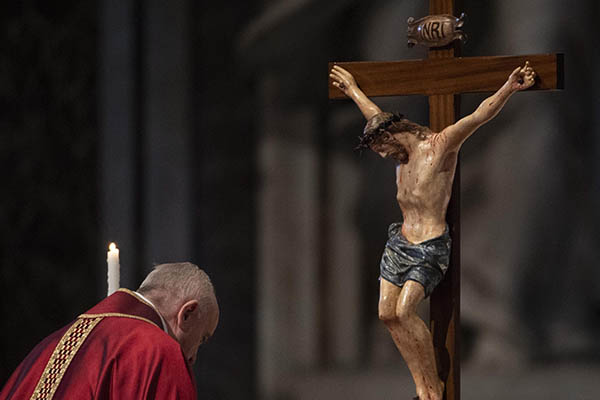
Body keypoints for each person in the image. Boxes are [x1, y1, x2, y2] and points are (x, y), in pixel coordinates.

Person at [330, 62, 536, 400]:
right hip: (400, 243)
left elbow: (478, 116)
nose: (383, 156)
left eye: (383, 148)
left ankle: (431, 390)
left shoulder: (439, 147)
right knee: (386, 314)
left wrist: (509, 88)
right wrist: (352, 89)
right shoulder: (399, 154)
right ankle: (421, 383)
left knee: (405, 311)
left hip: (429, 245)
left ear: (393, 136)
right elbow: (375, 115)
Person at [0, 262, 219, 400]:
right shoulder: (159, 352)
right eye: (202, 338)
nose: (193, 358)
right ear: (187, 313)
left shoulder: (48, 346)